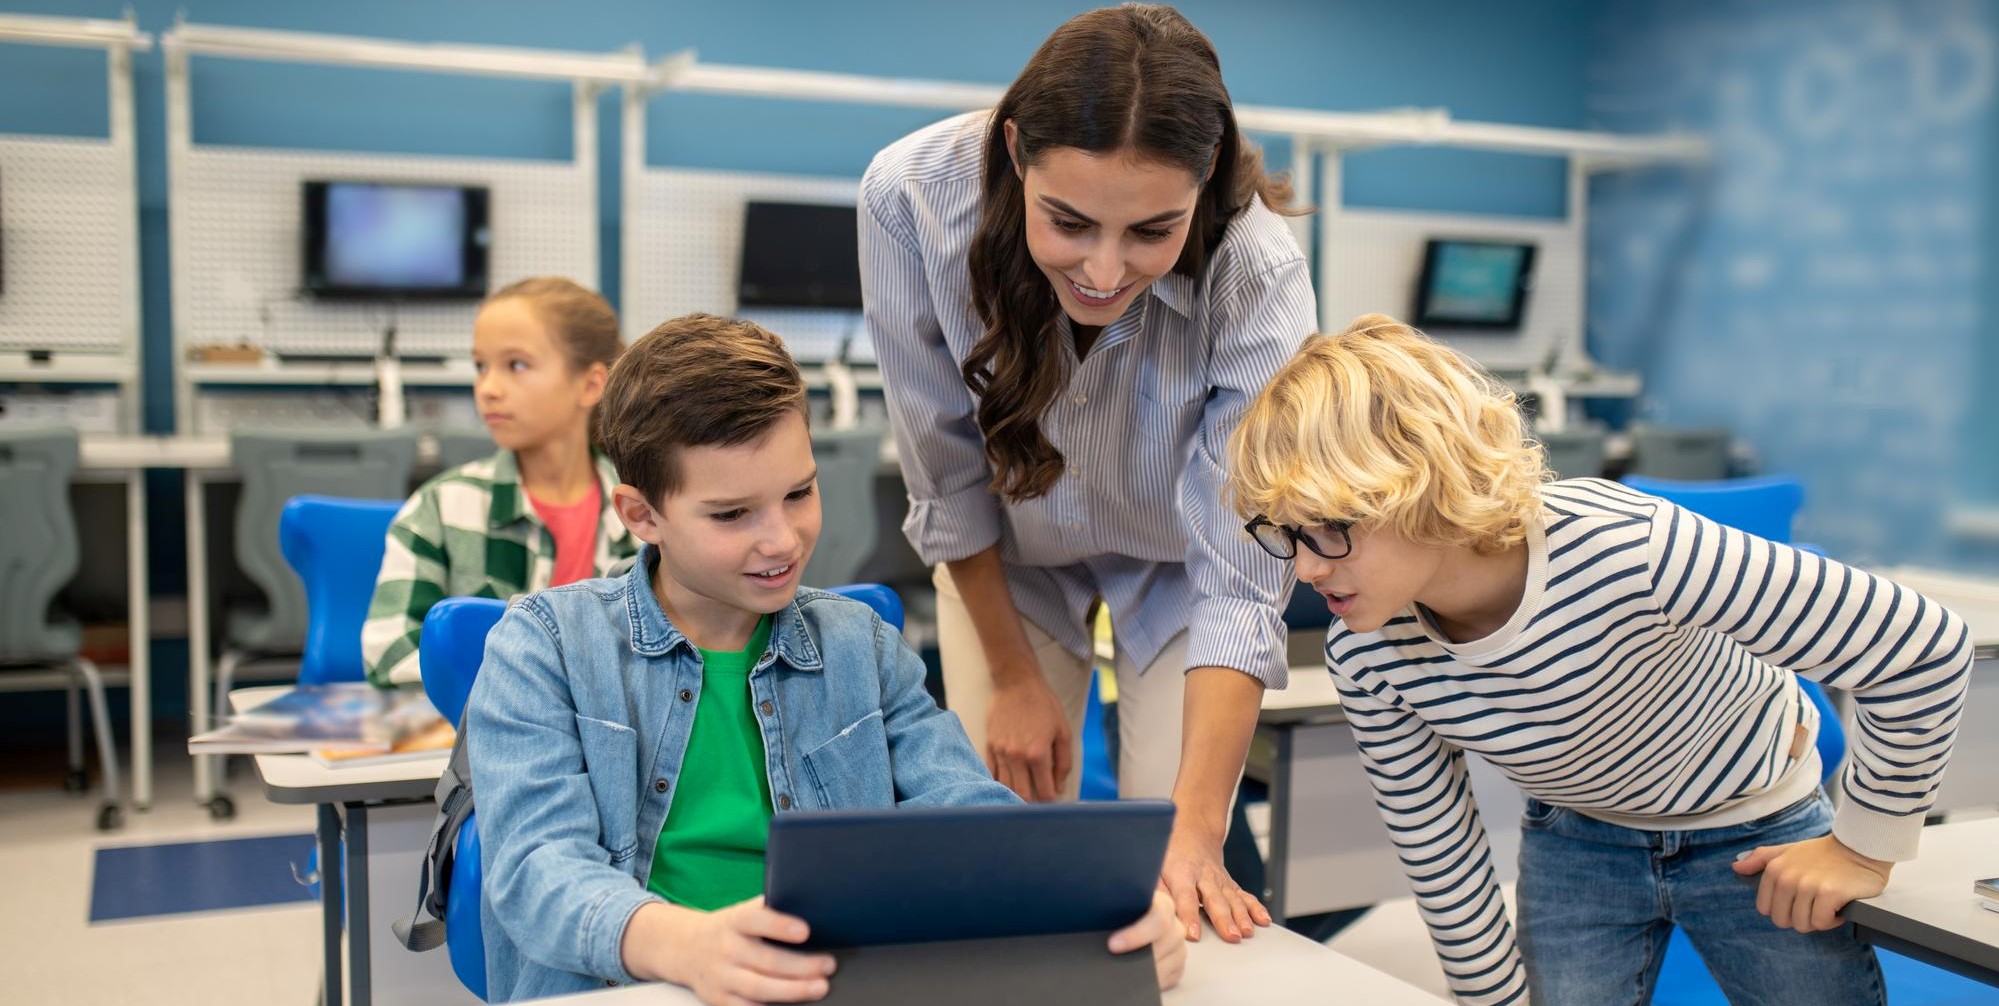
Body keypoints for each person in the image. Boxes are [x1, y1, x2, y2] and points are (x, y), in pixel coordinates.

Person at [1223, 313, 1974, 1005]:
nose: (1306, 570)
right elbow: (1435, 842)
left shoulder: (1629, 547)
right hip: (1577, 841)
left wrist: (1863, 848)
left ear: (1423, 486)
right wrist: (1492, 998)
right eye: (1284, 535)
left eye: (1325, 530)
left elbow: (1920, 646)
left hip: (1757, 827)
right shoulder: (1367, 650)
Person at [468, 314, 1186, 1003]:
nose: (781, 539)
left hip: (831, 986)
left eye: (799, 492)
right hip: (631, 988)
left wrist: (1089, 906)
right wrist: (689, 946)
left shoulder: (861, 645)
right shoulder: (544, 646)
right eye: (731, 514)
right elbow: (537, 871)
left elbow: (969, 822)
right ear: (640, 515)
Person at [860, 3, 1314, 941]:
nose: (1104, 272)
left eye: (1153, 232)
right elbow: (943, 474)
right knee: (1010, 851)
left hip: (1182, 562)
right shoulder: (909, 198)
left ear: (1204, 184)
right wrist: (1014, 679)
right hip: (1011, 558)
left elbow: (1242, 568)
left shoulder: (1258, 267)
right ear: (1017, 150)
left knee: (1177, 864)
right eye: (1067, 223)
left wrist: (1193, 835)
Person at [362, 277, 637, 687]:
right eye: (480, 367)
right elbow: (389, 655)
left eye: (517, 365)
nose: (487, 388)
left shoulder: (644, 514)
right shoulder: (440, 508)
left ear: (591, 384)